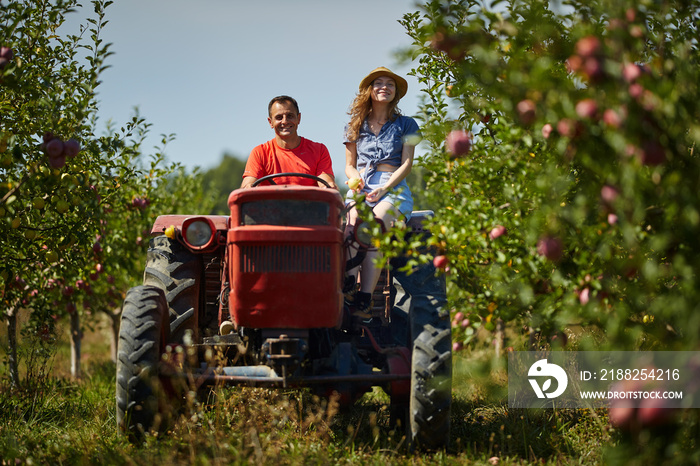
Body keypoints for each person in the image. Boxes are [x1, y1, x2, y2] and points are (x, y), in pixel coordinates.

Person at [343, 67, 419, 315]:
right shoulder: (355, 124)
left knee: (375, 224)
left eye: (390, 84)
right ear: (369, 90)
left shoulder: (407, 124)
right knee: (353, 222)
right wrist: (357, 182)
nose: (384, 87)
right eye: (379, 83)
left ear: (396, 93)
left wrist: (384, 187)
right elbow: (349, 166)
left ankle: (365, 296)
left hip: (392, 184)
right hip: (362, 182)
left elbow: (407, 164)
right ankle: (349, 284)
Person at [241, 95, 337, 189]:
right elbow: (248, 185)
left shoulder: (319, 150)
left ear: (298, 118)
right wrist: (248, 186)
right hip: (271, 205)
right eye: (279, 117)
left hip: (308, 204)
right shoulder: (259, 152)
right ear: (270, 122)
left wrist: (329, 186)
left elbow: (326, 184)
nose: (285, 121)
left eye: (290, 116)